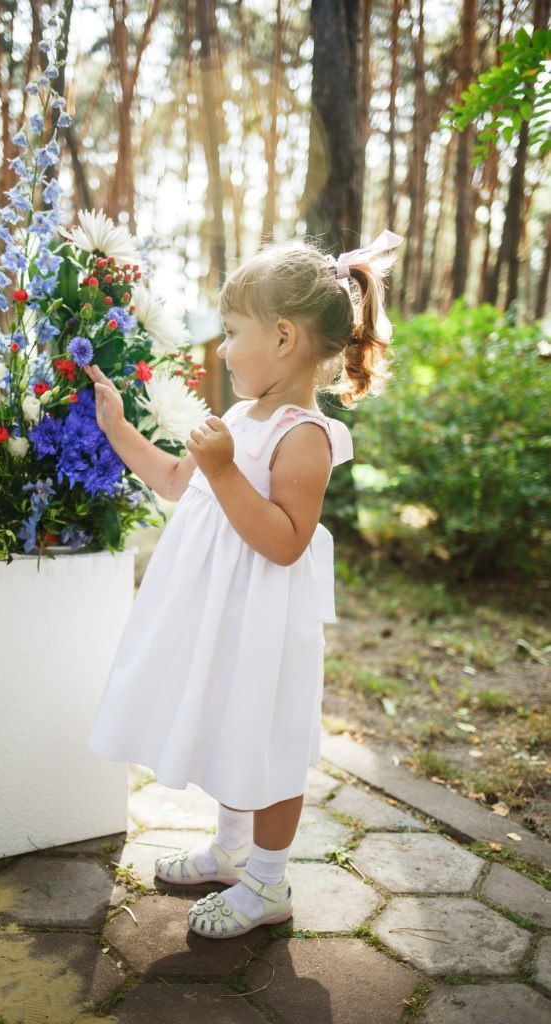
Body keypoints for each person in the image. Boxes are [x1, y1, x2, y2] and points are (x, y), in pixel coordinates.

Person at [85, 229, 404, 940]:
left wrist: (228, 471)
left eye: (233, 333)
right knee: (230, 724)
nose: (222, 349)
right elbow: (173, 480)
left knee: (267, 735)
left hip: (264, 619)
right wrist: (118, 431)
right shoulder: (237, 417)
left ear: (284, 337)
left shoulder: (304, 437)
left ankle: (267, 880)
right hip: (216, 614)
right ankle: (230, 850)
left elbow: (286, 543)